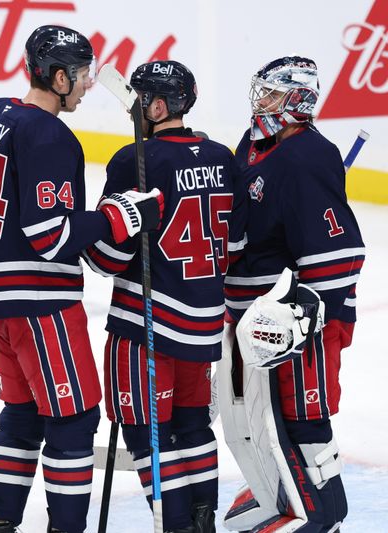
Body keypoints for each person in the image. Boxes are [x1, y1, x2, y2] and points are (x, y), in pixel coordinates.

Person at [0, 26, 162, 533]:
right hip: (38, 304)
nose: (85, 86)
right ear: (57, 77)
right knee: (74, 418)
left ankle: (1, 523)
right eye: (80, 76)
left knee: (22, 411)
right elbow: (51, 238)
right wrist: (115, 216)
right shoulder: (53, 136)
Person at [83, 60, 248, 533]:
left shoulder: (135, 159)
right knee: (194, 428)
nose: (132, 110)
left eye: (138, 101)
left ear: (156, 105)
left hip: (145, 326)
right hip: (203, 327)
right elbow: (233, 247)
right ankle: (202, 522)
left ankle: (175, 525)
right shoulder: (222, 157)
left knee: (148, 435)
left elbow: (106, 258)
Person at [219, 56, 364, 532]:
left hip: (295, 322)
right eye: (260, 93)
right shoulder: (254, 144)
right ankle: (280, 493)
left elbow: (337, 251)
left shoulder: (309, 156)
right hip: (247, 316)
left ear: (297, 99)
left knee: (301, 416)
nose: (260, 104)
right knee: (252, 419)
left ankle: (323, 512)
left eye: (271, 95)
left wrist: (310, 313)